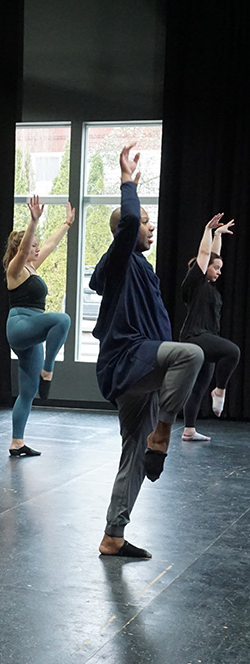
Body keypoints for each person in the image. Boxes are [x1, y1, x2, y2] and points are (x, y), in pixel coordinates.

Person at [90, 143, 203, 559]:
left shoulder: (144, 269)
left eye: (151, 223)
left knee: (132, 458)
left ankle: (112, 535)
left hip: (146, 371)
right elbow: (131, 215)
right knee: (191, 355)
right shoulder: (118, 262)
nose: (149, 228)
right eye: (147, 224)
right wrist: (127, 181)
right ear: (125, 231)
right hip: (127, 363)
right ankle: (165, 431)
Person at [3, 196, 74, 457]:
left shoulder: (32, 267)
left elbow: (51, 244)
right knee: (62, 319)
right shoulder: (16, 269)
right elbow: (23, 252)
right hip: (21, 325)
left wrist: (66, 224)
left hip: (32, 332)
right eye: (31, 246)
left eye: (35, 246)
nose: (35, 249)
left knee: (28, 392)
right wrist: (33, 220)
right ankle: (48, 371)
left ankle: (17, 442)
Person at [180, 214, 240, 441]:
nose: (219, 271)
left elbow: (214, 256)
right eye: (216, 268)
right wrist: (207, 229)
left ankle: (189, 430)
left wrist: (217, 235)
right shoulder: (194, 283)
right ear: (203, 268)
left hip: (208, 338)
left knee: (198, 386)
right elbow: (205, 255)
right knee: (233, 351)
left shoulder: (209, 287)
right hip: (195, 336)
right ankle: (220, 390)